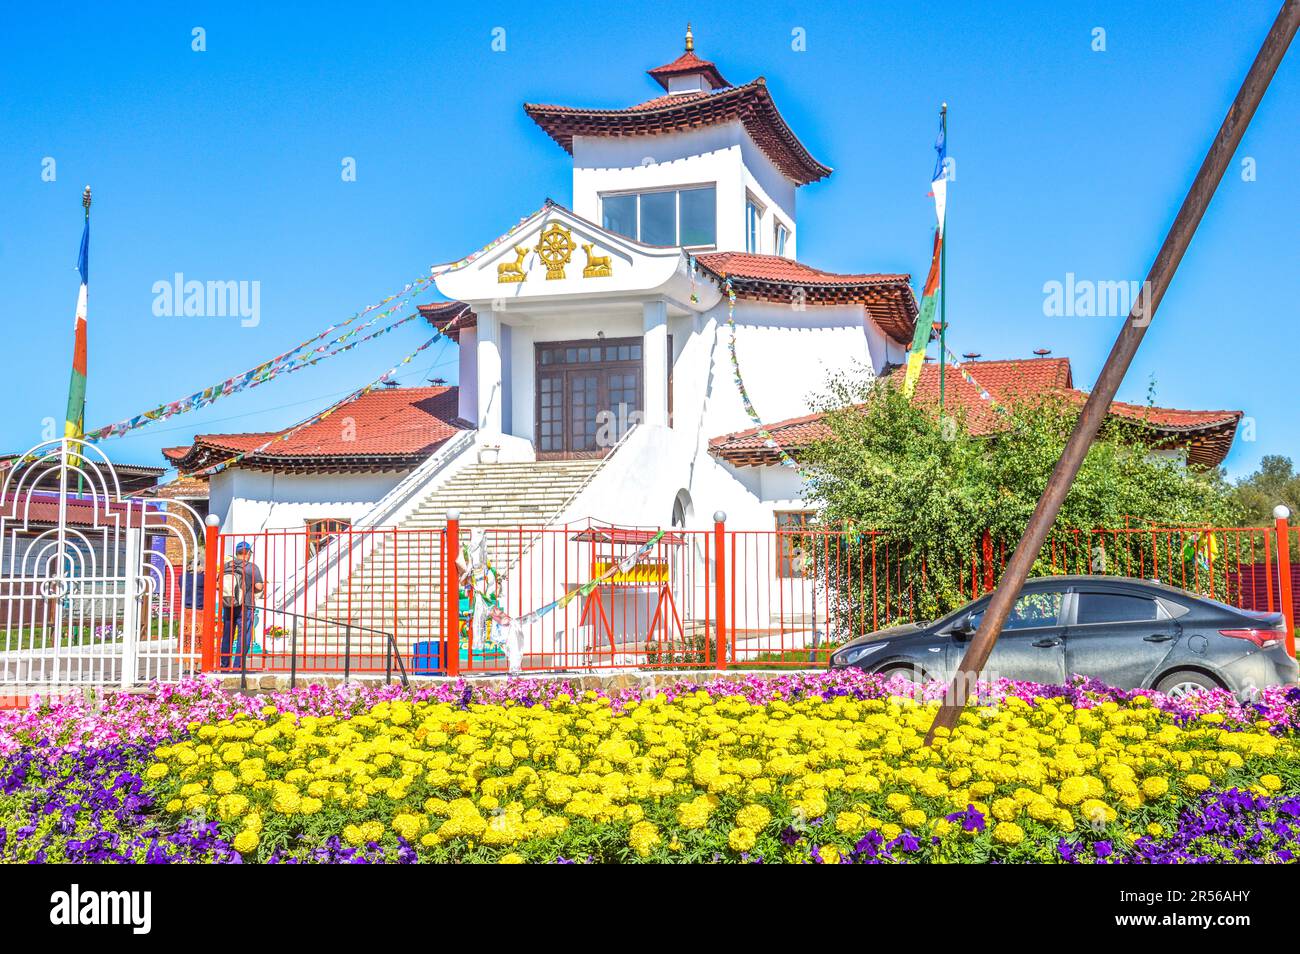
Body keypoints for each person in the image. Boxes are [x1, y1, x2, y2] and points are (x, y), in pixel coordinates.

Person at [220, 541, 264, 671]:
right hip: (246, 605)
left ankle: (224, 665)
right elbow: (259, 586)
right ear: (248, 553)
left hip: (228, 605)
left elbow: (219, 585)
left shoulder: (227, 566)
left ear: (236, 553)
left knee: (227, 635)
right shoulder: (251, 567)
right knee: (243, 635)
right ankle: (238, 666)